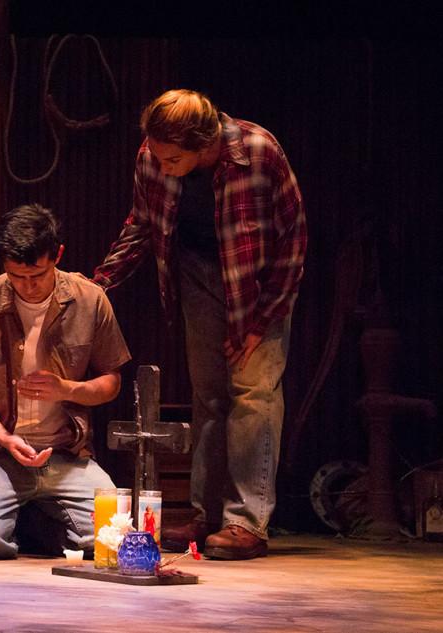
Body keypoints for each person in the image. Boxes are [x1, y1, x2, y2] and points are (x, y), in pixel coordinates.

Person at [93, 89, 307, 560]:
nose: (160, 164)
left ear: (204, 144)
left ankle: (246, 521)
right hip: (197, 275)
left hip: (257, 287)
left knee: (253, 394)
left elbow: (294, 240)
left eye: (172, 158)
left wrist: (261, 322)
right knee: (208, 395)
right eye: (155, 153)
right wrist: (99, 283)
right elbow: (142, 224)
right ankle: (207, 515)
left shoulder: (259, 151)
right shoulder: (153, 153)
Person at [0, 203, 132, 559]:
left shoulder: (90, 300)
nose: (27, 286)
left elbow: (111, 381)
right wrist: (5, 438)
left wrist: (67, 389)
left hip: (64, 456)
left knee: (116, 542)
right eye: (16, 276)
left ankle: (30, 518)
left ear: (56, 254)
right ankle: (14, 515)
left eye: (37, 275)